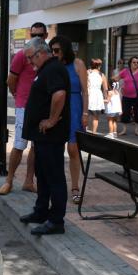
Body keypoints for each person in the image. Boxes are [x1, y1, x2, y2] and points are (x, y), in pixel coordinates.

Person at [19, 40, 70, 235]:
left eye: (31, 58)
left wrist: (51, 120)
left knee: (54, 176)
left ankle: (56, 220)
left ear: (41, 53)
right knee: (43, 175)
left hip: (51, 136)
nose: (30, 62)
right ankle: (41, 211)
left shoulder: (53, 69)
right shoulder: (45, 70)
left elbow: (59, 95)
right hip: (42, 137)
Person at [0, 23, 47, 195]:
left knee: (35, 147)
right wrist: (17, 95)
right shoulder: (21, 55)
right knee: (19, 145)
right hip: (24, 107)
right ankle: (9, 180)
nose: (37, 37)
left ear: (45, 35)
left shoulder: (46, 56)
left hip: (42, 108)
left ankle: (28, 181)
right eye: (34, 34)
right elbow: (10, 80)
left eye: (40, 34)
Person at [50, 36, 88, 205]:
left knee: (73, 149)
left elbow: (85, 91)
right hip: (58, 108)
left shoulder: (78, 64)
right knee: (55, 150)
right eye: (52, 50)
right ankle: (57, 186)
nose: (54, 53)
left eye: (57, 50)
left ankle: (75, 187)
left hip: (74, 107)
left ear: (65, 49)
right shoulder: (53, 65)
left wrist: (85, 113)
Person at [112, 56, 138, 136]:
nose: (136, 64)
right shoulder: (125, 71)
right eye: (134, 62)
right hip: (126, 95)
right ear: (130, 63)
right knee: (125, 112)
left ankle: (137, 130)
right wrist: (114, 79)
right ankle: (124, 130)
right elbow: (116, 78)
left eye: (137, 62)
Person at [87, 58, 108, 133]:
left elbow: (85, 85)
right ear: (99, 66)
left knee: (88, 114)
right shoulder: (102, 75)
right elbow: (105, 88)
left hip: (89, 94)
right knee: (96, 116)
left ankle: (86, 130)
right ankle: (94, 132)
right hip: (98, 95)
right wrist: (106, 98)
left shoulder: (88, 72)